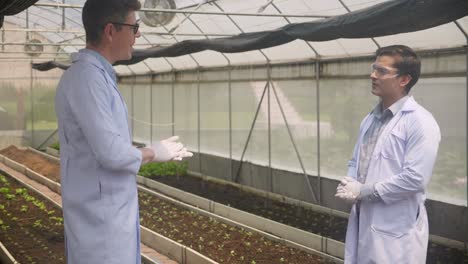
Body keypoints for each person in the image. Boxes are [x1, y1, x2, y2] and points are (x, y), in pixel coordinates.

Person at [55, 0, 192, 263]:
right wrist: (153, 152)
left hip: (104, 217)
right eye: (134, 26)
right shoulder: (88, 79)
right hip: (100, 225)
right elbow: (111, 154)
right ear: (110, 31)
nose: (138, 34)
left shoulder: (96, 76)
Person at [335, 45, 440, 264]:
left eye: (381, 71)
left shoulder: (420, 122)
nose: (373, 75)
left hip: (396, 228)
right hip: (366, 216)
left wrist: (362, 191)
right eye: (374, 68)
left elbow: (415, 179)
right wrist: (349, 183)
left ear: (404, 80)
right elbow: (357, 159)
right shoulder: (370, 119)